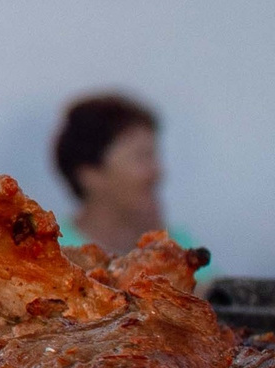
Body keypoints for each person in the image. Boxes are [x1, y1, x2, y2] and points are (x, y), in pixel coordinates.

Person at [51, 92, 207, 274]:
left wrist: (161, 254)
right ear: (89, 174)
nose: (158, 172)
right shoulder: (50, 253)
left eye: (153, 156)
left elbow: (215, 289)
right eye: (141, 157)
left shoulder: (177, 244)